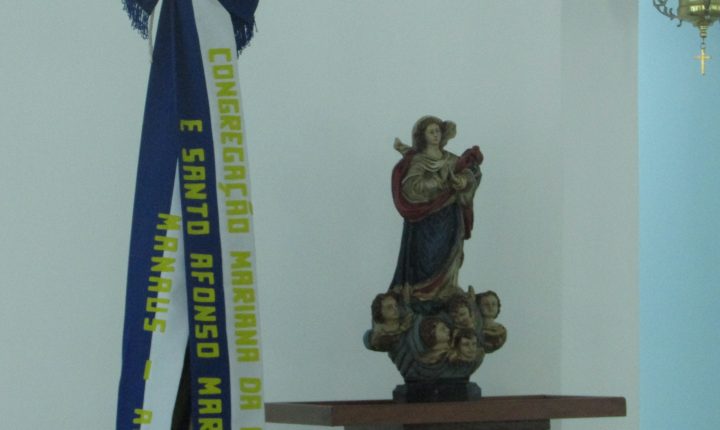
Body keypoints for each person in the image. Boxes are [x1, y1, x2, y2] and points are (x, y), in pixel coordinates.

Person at [389, 116, 483, 302]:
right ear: (422, 136)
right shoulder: (418, 161)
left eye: (438, 131)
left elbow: (471, 174)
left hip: (450, 217)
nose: (435, 135)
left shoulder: (451, 159)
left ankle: (447, 290)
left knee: (449, 253)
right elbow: (412, 187)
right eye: (431, 132)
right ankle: (420, 293)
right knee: (425, 257)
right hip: (425, 220)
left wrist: (463, 181)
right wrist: (441, 182)